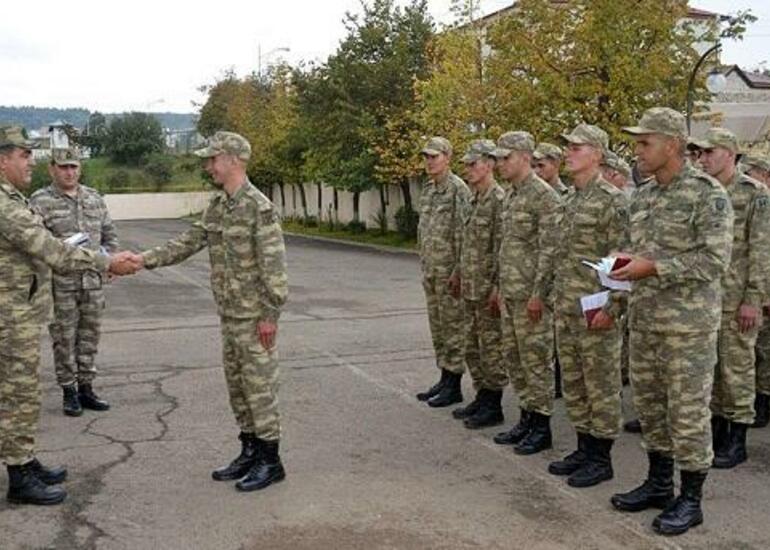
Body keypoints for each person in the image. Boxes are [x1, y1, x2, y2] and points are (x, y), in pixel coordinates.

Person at [131, 131, 288, 493]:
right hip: (230, 314)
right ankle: (249, 451)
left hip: (253, 318)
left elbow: (274, 268)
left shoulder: (258, 207)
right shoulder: (219, 206)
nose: (208, 166)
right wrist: (141, 260)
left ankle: (271, 460)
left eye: (213, 159)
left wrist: (269, 315)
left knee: (260, 389)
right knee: (238, 388)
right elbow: (187, 242)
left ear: (233, 160)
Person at [610, 108, 734, 536]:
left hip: (688, 329)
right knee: (651, 409)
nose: (637, 150)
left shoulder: (707, 194)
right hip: (644, 323)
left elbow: (714, 260)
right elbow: (632, 254)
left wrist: (654, 268)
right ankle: (659, 483)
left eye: (645, 143)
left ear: (672, 145)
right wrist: (615, 281)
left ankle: (692, 498)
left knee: (687, 413)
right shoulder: (642, 196)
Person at [0, 126, 138, 505]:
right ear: (3, 159)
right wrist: (106, 261)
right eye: (24, 155)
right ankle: (19, 476)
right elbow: (51, 249)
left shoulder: (13, 198)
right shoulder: (6, 204)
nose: (31, 161)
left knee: (21, 391)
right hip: (10, 316)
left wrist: (105, 256)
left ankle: (23, 462)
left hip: (19, 311)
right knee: (18, 394)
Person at [547, 124, 628, 487]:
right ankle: (584, 446)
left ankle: (602, 457)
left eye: (576, 147)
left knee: (601, 385)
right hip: (566, 308)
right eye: (568, 147)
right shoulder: (569, 199)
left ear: (597, 154)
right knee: (576, 384)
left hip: (597, 311)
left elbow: (624, 262)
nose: (569, 152)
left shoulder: (612, 201)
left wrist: (611, 309)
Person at [692, 128, 770, 469]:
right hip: (704, 300)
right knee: (711, 369)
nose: (703, 158)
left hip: (737, 299)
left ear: (730, 153)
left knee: (737, 369)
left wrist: (753, 298)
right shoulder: (702, 191)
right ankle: (718, 432)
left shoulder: (755, 193)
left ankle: (737, 441)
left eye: (710, 152)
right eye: (701, 153)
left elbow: (761, 250)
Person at [30, 148, 119, 417]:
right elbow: (38, 243)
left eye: (74, 167)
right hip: (61, 284)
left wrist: (110, 260)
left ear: (80, 168)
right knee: (64, 339)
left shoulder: (94, 198)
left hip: (92, 282)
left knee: (90, 336)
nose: (69, 172)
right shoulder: (40, 201)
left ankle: (86, 388)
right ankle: (69, 391)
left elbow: (109, 235)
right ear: (52, 169)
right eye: (63, 167)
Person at [490, 131, 561, 455]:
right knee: (516, 360)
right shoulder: (511, 194)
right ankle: (526, 417)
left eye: (506, 157)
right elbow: (507, 246)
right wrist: (500, 288)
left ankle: (541, 425)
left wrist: (539, 295)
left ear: (523, 156)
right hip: (512, 293)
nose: (500, 163)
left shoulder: (543, 196)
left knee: (536, 362)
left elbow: (550, 250)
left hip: (533, 297)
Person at [451, 140, 509, 429]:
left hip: (487, 290)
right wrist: (458, 273)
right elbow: (468, 245)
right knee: (472, 346)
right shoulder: (474, 199)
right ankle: (482, 395)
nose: (468, 169)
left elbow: (502, 247)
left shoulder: (499, 200)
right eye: (466, 164)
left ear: (490, 164)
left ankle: (494, 403)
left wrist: (498, 288)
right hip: (471, 287)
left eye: (473, 164)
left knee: (491, 348)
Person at [415, 137, 472, 408]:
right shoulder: (428, 189)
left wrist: (459, 271)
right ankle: (443, 377)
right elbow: (423, 230)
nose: (429, 161)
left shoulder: (458, 190)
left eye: (434, 156)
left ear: (447, 157)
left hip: (450, 274)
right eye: (426, 156)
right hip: (431, 271)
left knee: (453, 328)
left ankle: (454, 383)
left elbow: (463, 234)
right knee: (438, 326)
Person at [742, 156, 770, 428]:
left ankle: (763, 400)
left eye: (753, 174)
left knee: (765, 350)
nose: (748, 178)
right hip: (757, 287)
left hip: (763, 288)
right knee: (757, 348)